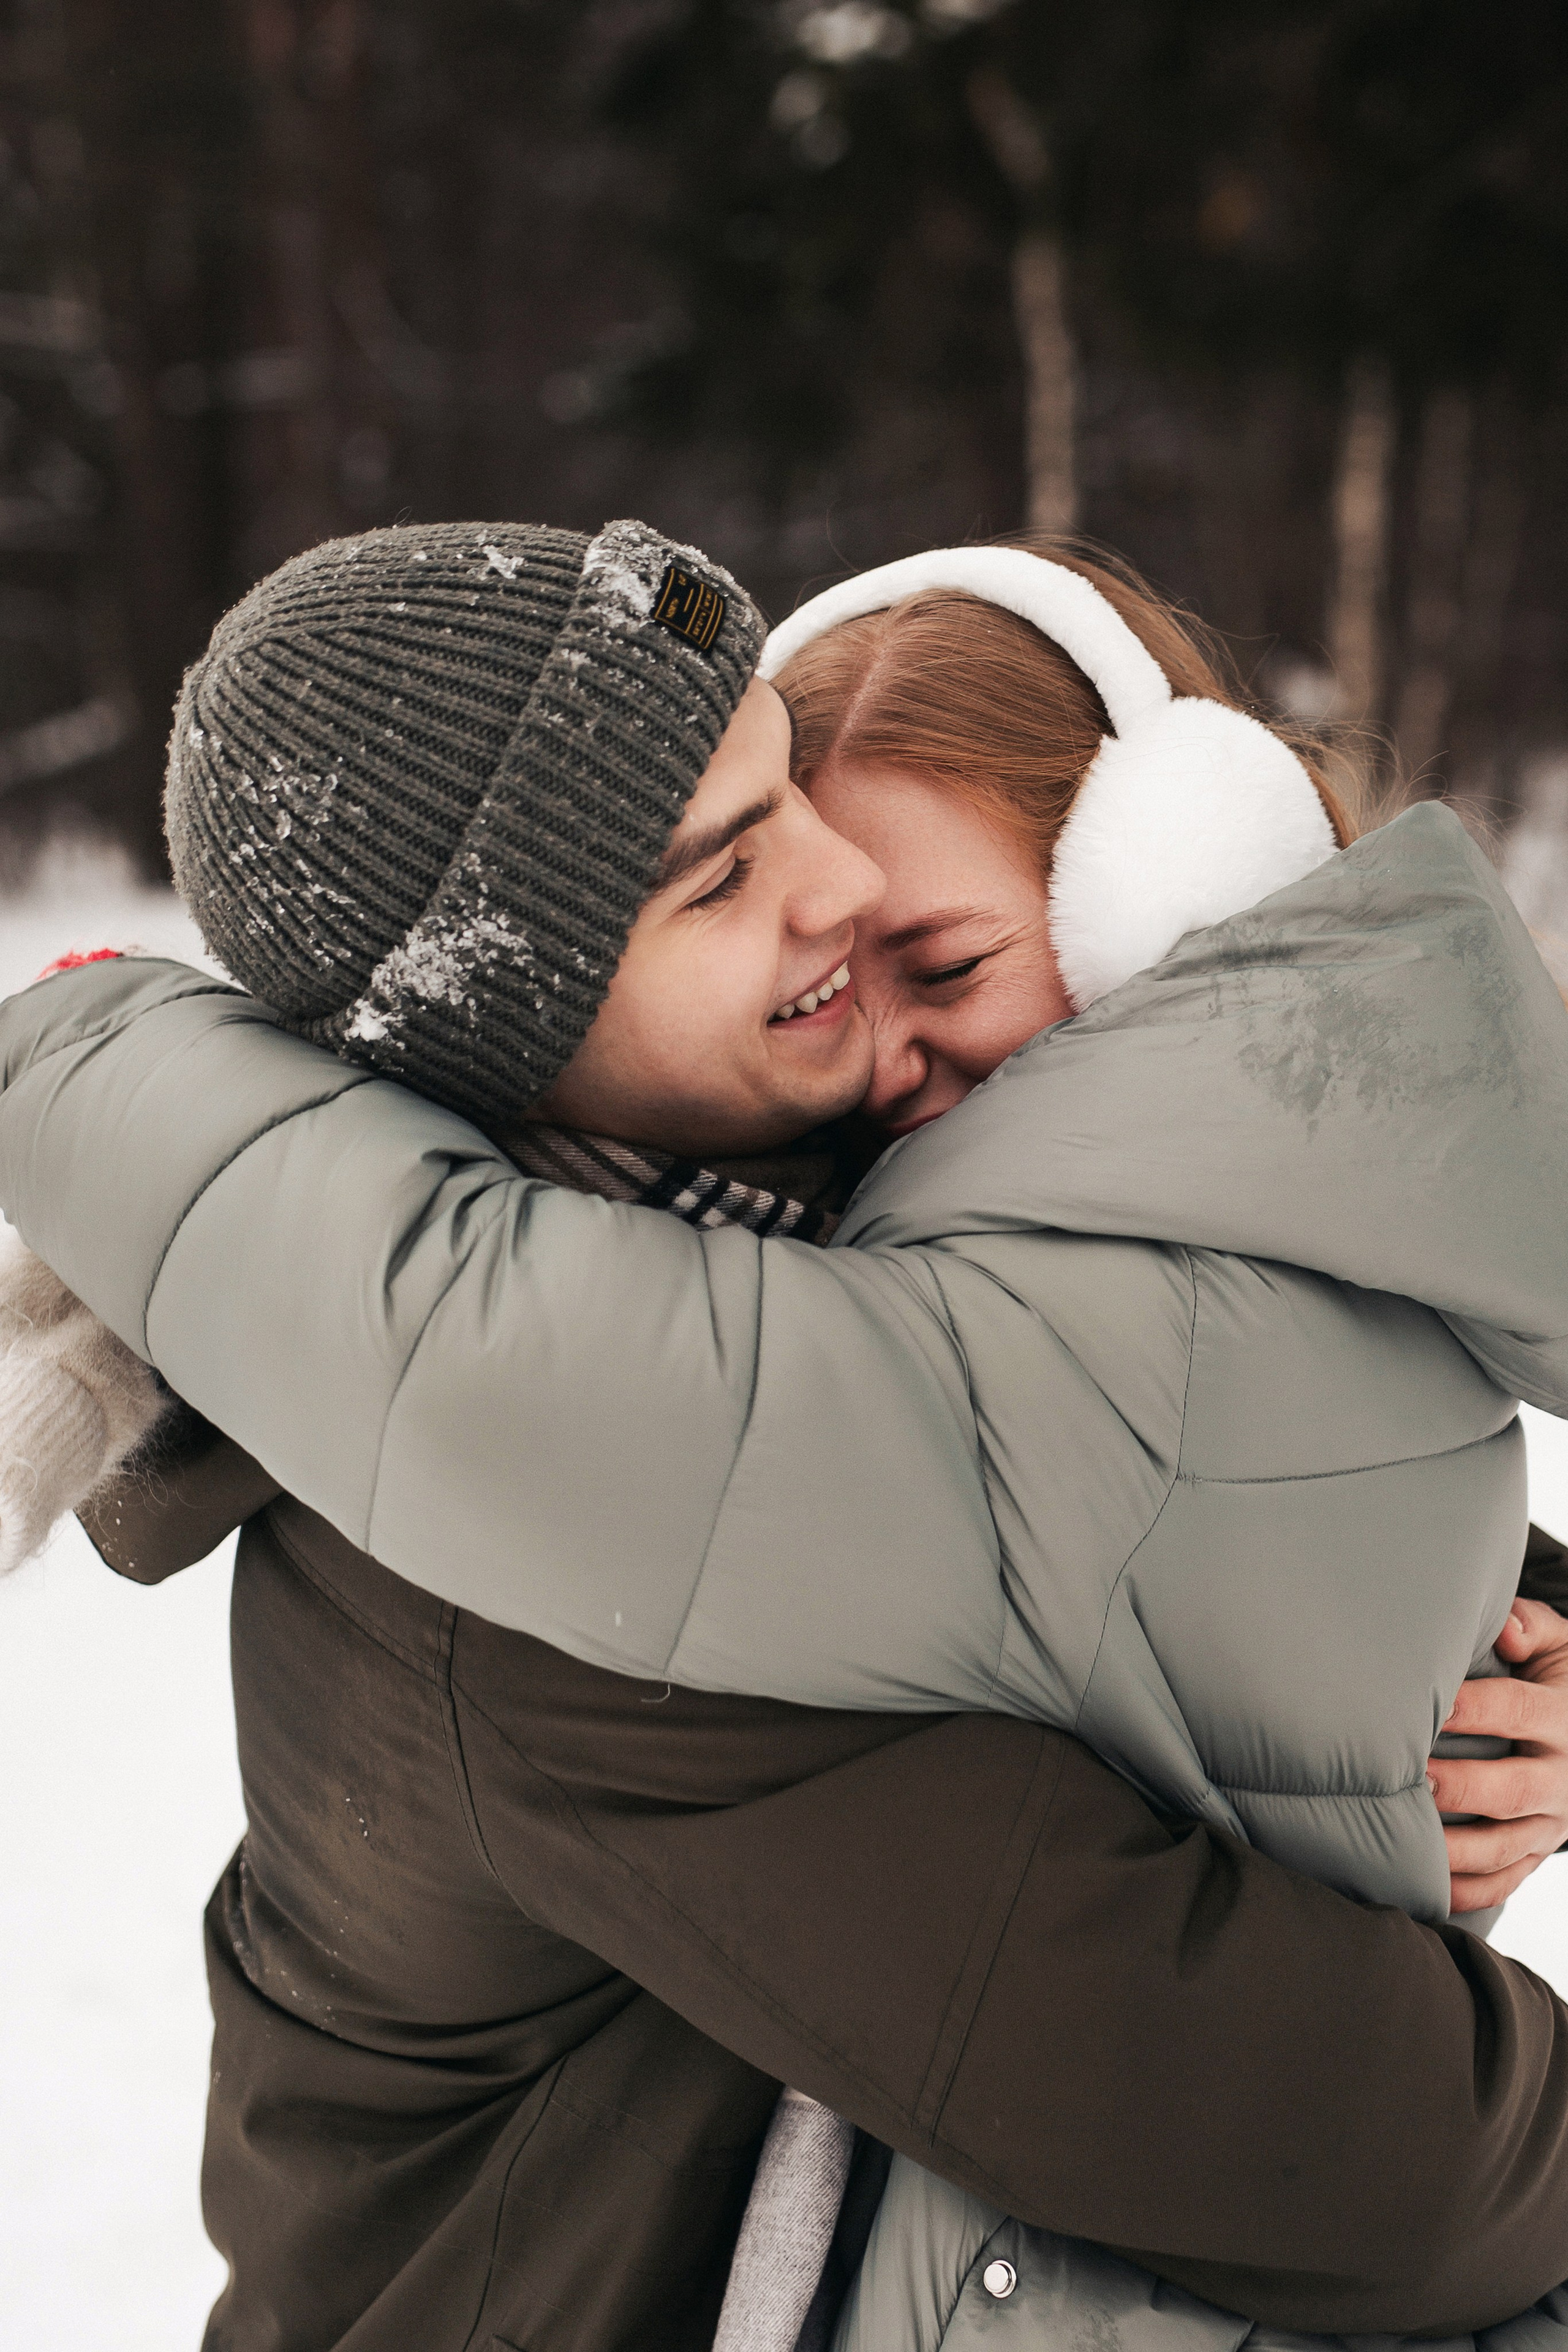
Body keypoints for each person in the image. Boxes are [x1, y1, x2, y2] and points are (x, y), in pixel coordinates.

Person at [3, 522, 1568, 2347]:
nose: (827, 887)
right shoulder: (553, 1526)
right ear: (532, 1028)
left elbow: (1069, 1456)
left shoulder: (789, 1234)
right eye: (727, 870)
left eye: (780, 785)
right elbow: (1341, 2140)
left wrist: (1501, 1646)